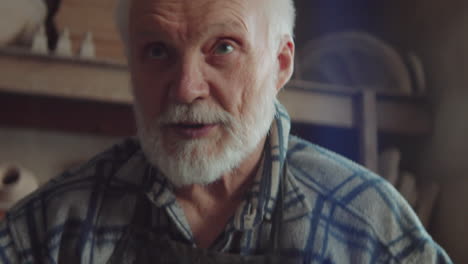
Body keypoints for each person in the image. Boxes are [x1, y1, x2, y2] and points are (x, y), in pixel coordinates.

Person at [0, 0, 453, 263]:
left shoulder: (369, 227)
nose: (186, 88)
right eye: (157, 50)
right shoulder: (51, 229)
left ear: (281, 63)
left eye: (224, 47)